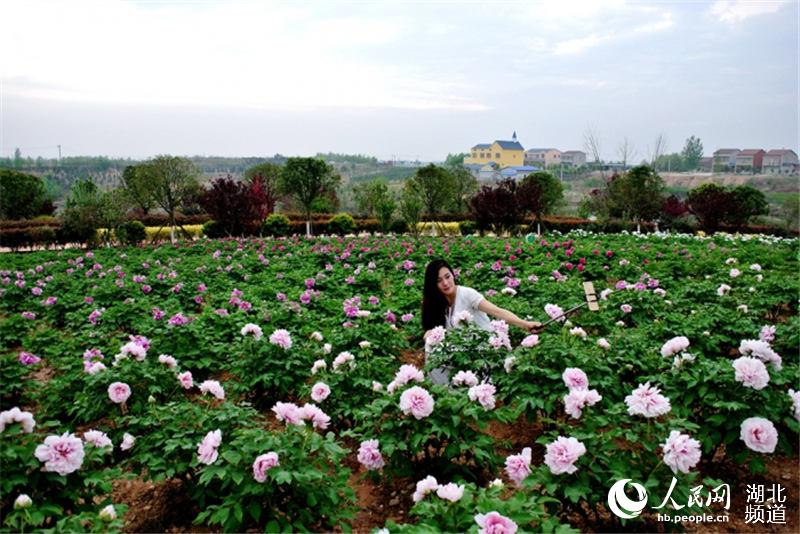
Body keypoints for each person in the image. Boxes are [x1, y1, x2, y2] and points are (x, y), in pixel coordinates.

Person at [422, 258, 541, 341]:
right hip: (462, 356)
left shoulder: (467, 294)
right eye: (439, 280)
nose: (445, 283)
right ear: (433, 284)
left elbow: (497, 311)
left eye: (447, 276)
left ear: (453, 275)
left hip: (484, 348)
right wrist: (428, 334)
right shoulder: (438, 304)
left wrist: (525, 324)